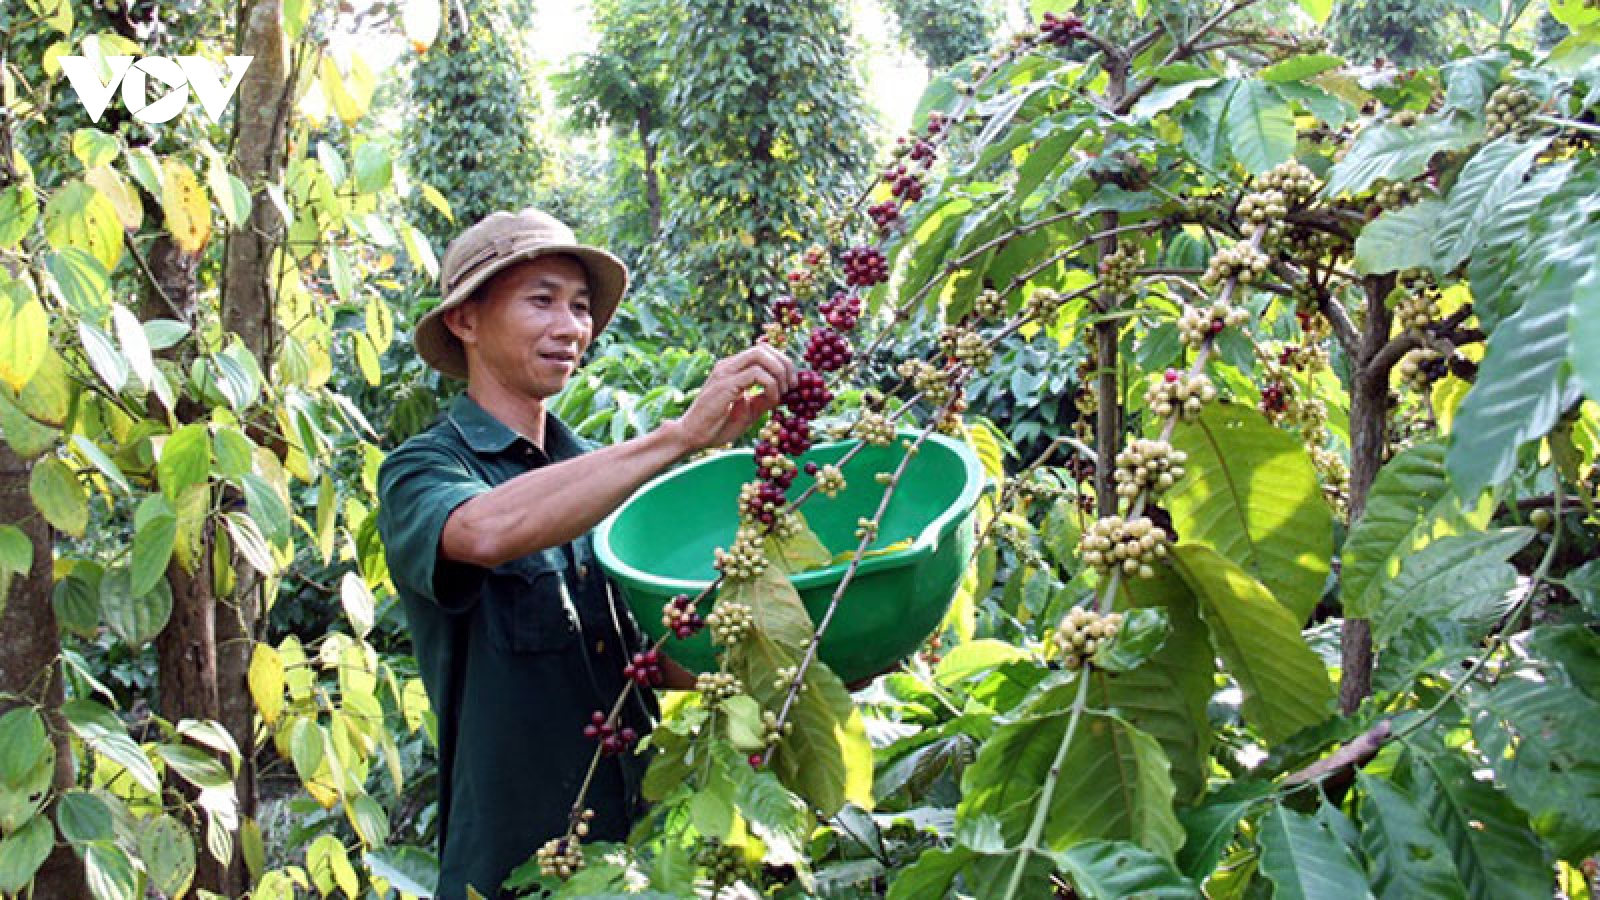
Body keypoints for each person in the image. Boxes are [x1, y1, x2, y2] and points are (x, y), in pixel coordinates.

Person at [376, 208, 797, 899]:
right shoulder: (422, 471)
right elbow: (483, 532)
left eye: (579, 307)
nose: (571, 327)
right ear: (465, 321)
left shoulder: (596, 479)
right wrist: (679, 436)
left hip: (635, 858)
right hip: (517, 870)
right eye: (541, 301)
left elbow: (644, 656)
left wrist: (790, 663)